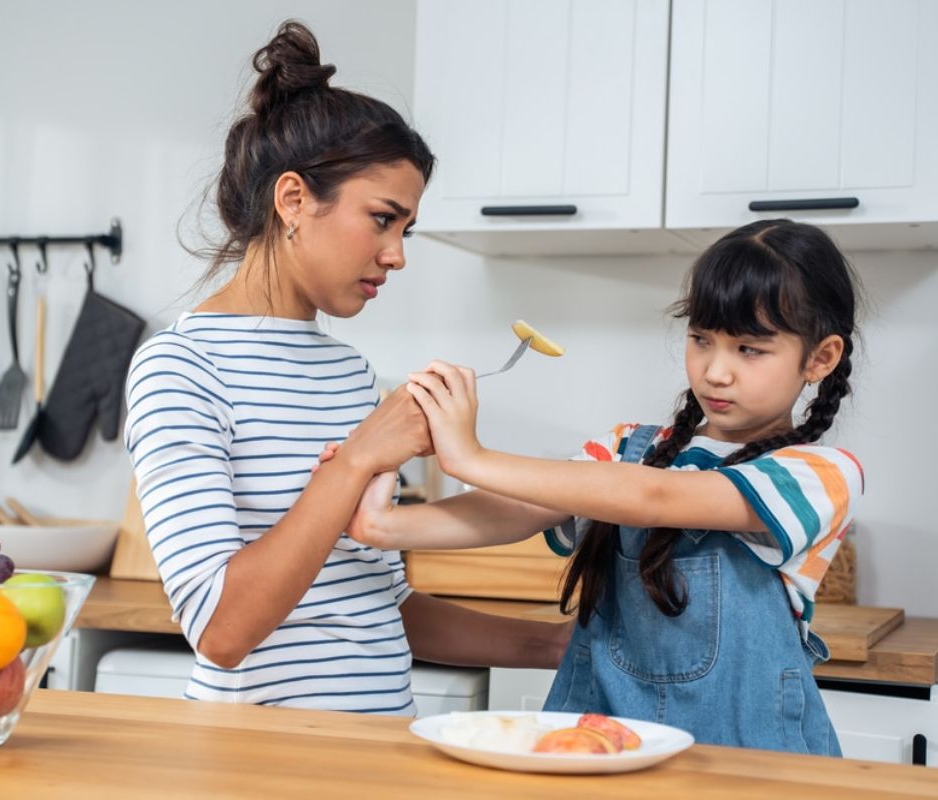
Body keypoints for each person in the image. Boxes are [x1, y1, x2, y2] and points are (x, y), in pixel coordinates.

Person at [124, 20, 569, 715]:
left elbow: (377, 604)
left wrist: (556, 645)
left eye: (406, 229)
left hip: (377, 751)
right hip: (262, 761)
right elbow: (221, 630)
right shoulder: (181, 368)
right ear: (294, 200)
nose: (397, 255)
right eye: (383, 219)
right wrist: (359, 457)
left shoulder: (348, 372)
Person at [337, 219, 863, 752]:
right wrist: (382, 520)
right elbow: (514, 509)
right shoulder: (623, 447)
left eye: (750, 349)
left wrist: (468, 456)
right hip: (597, 747)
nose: (715, 372)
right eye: (702, 340)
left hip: (748, 763)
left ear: (820, 358)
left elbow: (652, 499)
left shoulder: (819, 474)